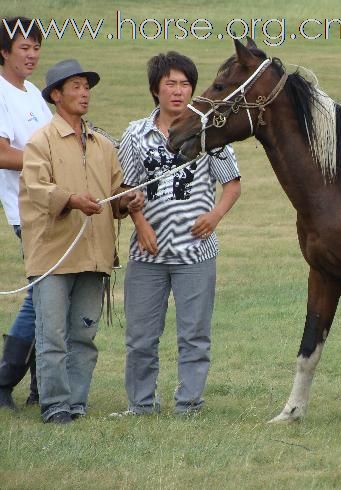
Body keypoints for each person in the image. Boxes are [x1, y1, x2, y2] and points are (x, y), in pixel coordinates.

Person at [117, 51, 241, 415]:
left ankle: (189, 404)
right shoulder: (135, 134)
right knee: (140, 337)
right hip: (147, 254)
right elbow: (127, 190)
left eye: (185, 83)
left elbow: (232, 185)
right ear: (155, 89)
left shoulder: (208, 129)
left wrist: (215, 216)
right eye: (170, 83)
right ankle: (141, 405)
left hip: (196, 252)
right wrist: (139, 223)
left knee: (194, 335)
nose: (178, 91)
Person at [19, 59, 142, 423]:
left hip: (95, 254)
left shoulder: (104, 144)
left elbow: (117, 192)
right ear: (56, 95)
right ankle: (55, 406)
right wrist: (71, 200)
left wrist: (128, 199)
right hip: (52, 255)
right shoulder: (40, 142)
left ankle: (76, 403)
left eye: (86, 87)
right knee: (52, 336)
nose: (84, 93)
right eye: (75, 86)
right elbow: (37, 190)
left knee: (83, 336)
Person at [0, 16, 51, 410]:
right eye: (24, 48)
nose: (32, 55)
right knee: (41, 296)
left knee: (51, 295)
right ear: (4, 51)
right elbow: (1, 153)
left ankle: (41, 388)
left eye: (36, 47)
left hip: (51, 205)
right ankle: (4, 381)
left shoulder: (32, 91)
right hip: (27, 211)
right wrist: (48, 167)